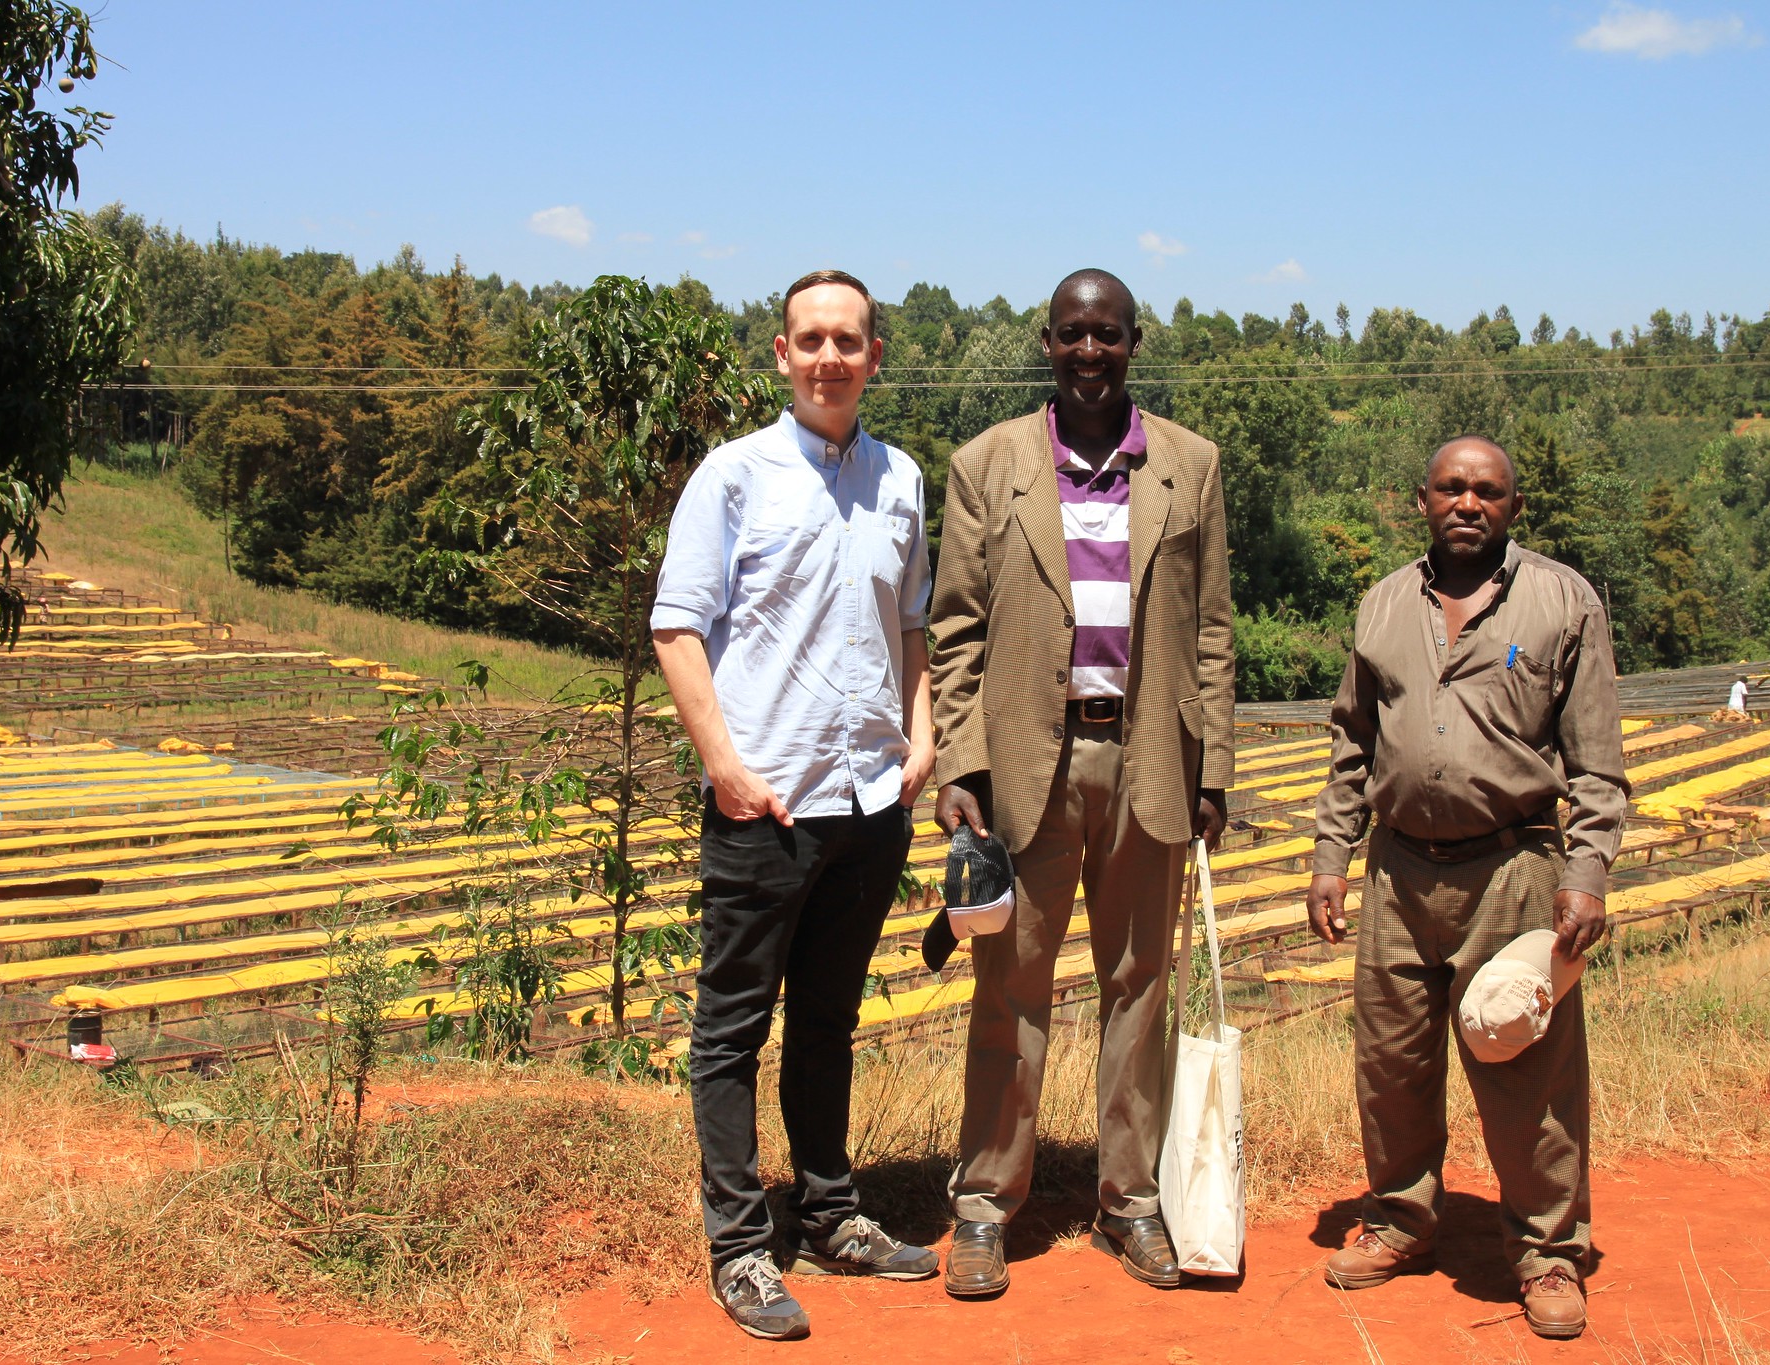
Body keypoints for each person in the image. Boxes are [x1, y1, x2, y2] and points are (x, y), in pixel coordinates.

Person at [929, 268, 1235, 1298]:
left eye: (1107, 335)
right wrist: (960, 768)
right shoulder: (989, 464)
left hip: (1148, 757)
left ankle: (1131, 1201)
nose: (1090, 352)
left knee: (1139, 992)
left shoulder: (1189, 466)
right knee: (1009, 991)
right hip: (1026, 765)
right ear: (1048, 344)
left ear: (1133, 342)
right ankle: (983, 1205)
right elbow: (958, 629)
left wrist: (1214, 770)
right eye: (1072, 335)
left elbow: (1212, 632)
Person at [652, 269, 939, 1342]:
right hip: (763, 801)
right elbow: (677, 629)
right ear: (780, 354)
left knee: (828, 1020)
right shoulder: (734, 478)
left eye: (848, 341)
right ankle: (738, 1245)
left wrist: (924, 733)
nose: (829, 357)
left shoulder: (901, 478)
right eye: (810, 339)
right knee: (731, 1029)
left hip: (869, 797)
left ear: (874, 356)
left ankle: (829, 1213)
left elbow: (911, 623)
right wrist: (725, 767)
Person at [1305, 436, 1629, 1340]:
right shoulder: (1382, 606)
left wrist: (1587, 871)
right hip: (1399, 870)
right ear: (1422, 500)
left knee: (1528, 1064)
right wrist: (1331, 855)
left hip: (1513, 868)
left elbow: (1596, 763)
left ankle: (1548, 1251)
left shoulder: (1563, 600)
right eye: (1450, 487)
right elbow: (1350, 748)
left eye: (1486, 491)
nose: (1467, 503)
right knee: (1393, 1063)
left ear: (1512, 507)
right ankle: (1402, 1218)